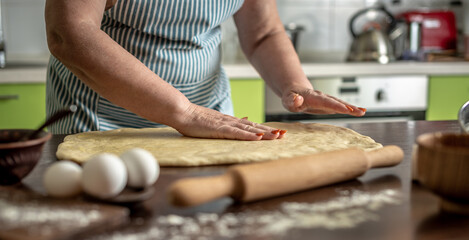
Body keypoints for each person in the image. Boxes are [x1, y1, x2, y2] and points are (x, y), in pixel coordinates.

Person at [45, 0, 366, 141]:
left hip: (211, 117)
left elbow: (263, 32)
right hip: (103, 122)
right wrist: (183, 112)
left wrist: (295, 83)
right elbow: (70, 32)